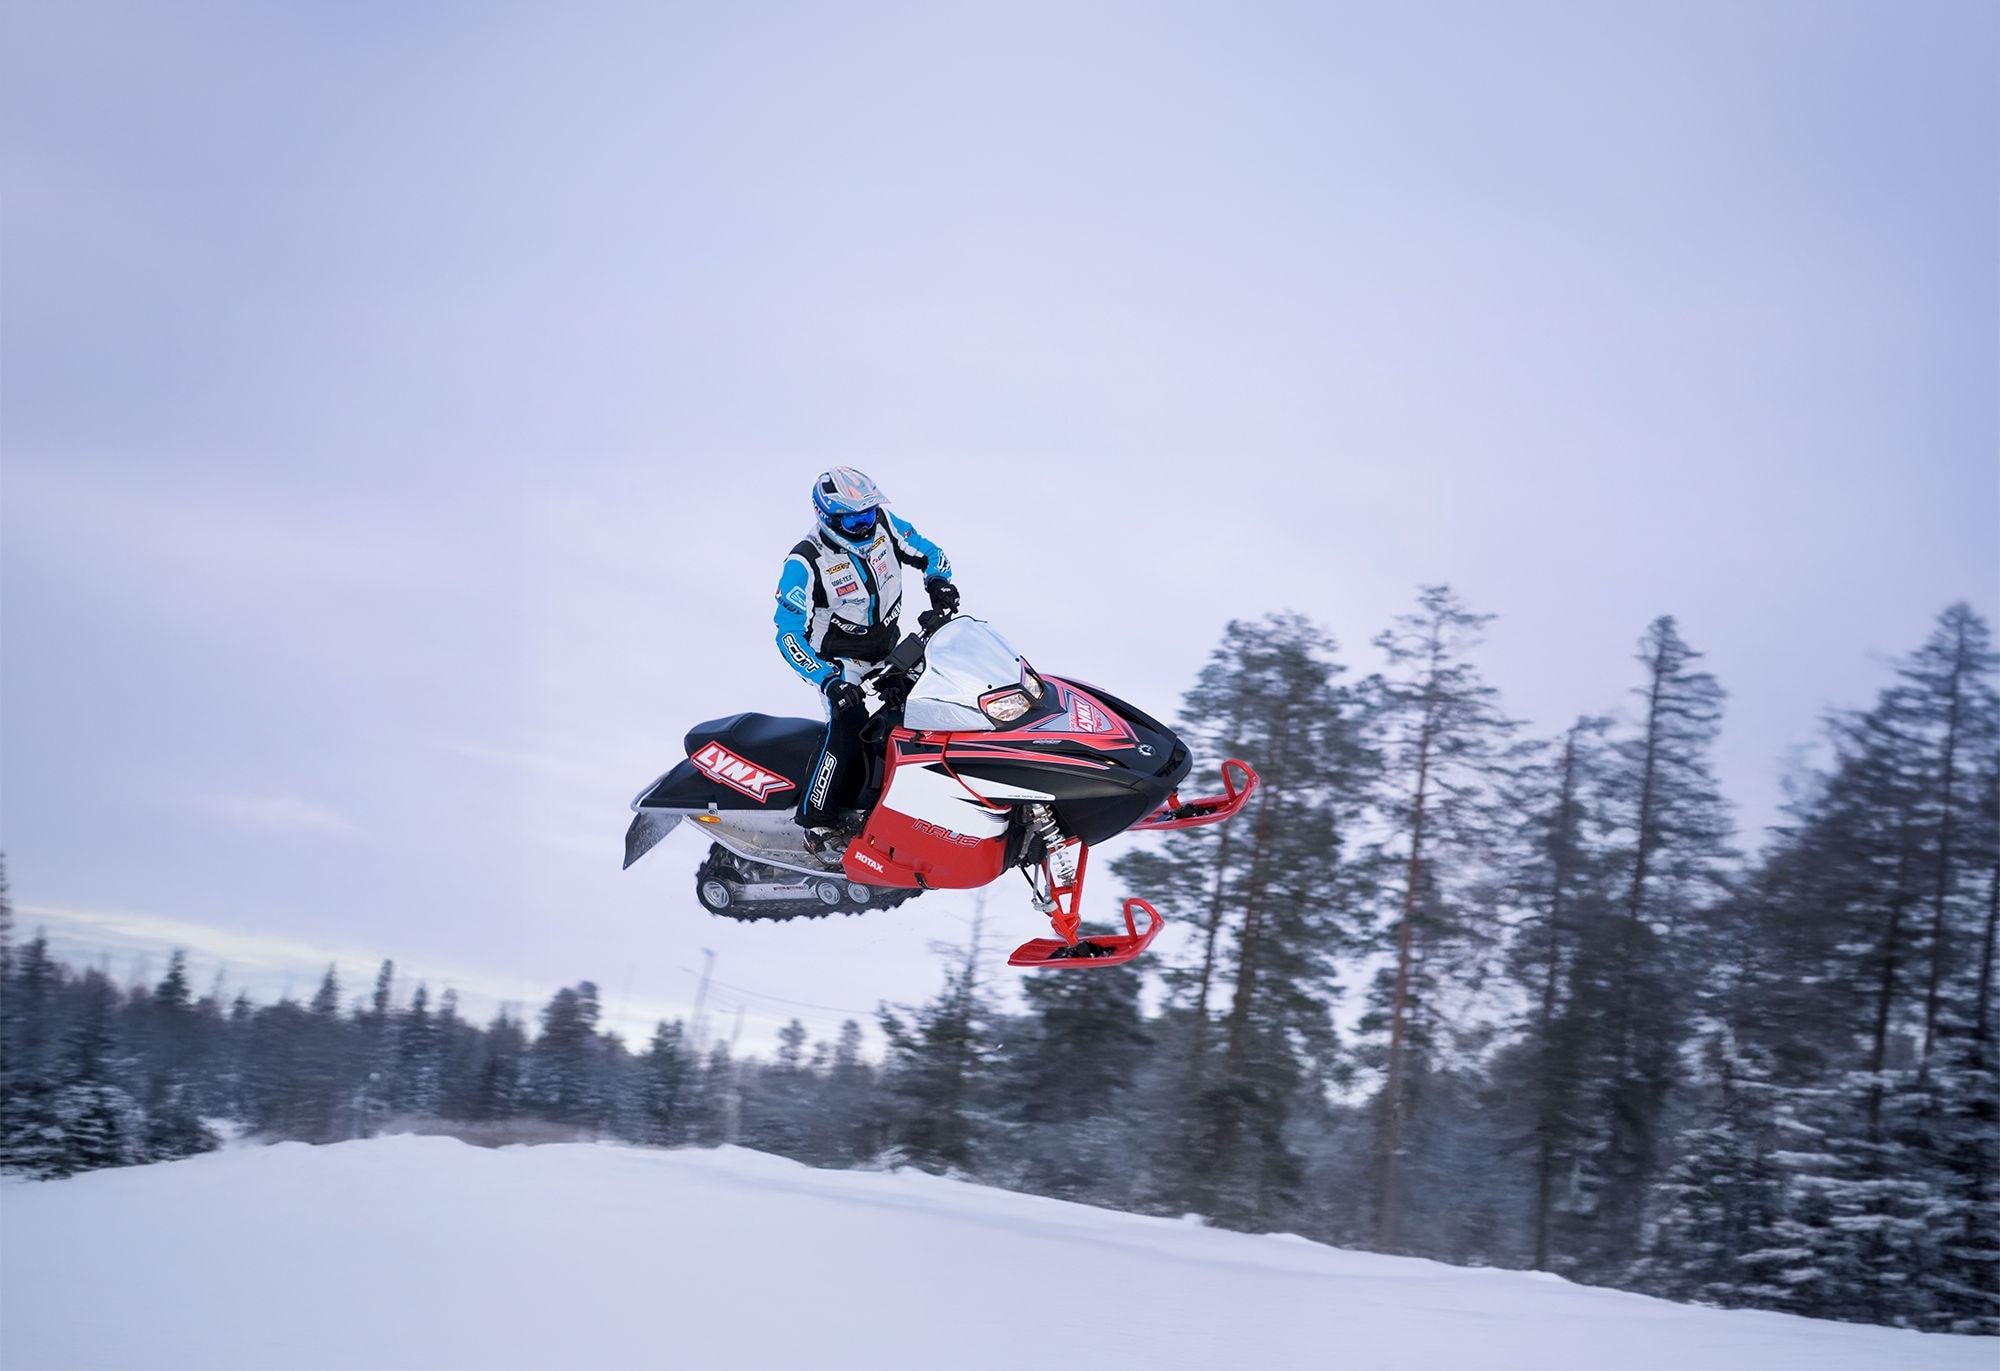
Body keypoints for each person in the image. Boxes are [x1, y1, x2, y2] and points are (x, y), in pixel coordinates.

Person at [773, 467, 958, 862]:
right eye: (855, 518)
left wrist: (939, 582)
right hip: (842, 663)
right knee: (850, 724)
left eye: (869, 512)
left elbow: (930, 551)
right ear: (828, 518)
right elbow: (786, 632)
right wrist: (827, 680)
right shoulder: (806, 561)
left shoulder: (885, 525)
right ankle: (817, 823)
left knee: (935, 707)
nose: (866, 523)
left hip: (891, 650)